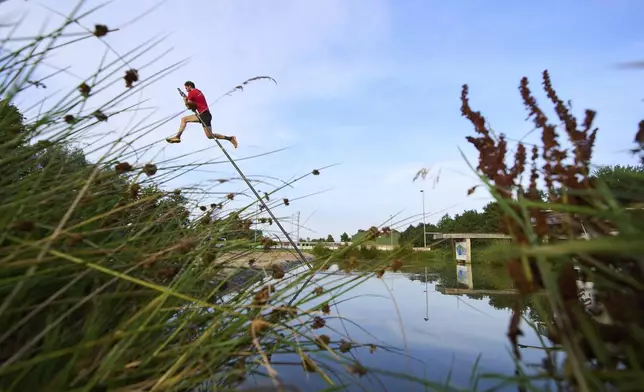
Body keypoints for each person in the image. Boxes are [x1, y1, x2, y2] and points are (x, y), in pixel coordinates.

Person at [166, 81, 238, 148]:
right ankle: (230, 138)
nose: (186, 90)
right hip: (205, 114)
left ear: (190, 86)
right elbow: (195, 104)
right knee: (209, 136)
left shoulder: (191, 93)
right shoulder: (198, 91)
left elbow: (189, 107)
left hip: (203, 115)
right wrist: (188, 100)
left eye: (186, 88)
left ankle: (177, 137)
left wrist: (185, 100)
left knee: (184, 119)